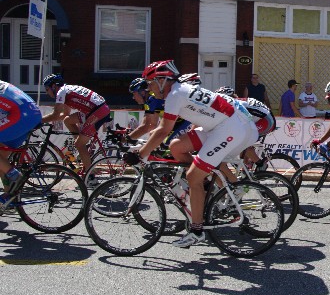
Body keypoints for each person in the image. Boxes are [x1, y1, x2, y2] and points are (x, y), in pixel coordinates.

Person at [123, 60, 258, 248]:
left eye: (151, 83)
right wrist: (144, 150)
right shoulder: (179, 90)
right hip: (220, 126)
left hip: (230, 128)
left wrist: (140, 155)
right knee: (176, 146)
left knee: (192, 176)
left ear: (162, 80)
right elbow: (165, 133)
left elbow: (162, 130)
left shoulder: (176, 95)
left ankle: (197, 230)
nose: (150, 88)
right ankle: (205, 182)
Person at [42, 74, 111, 174]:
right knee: (67, 120)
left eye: (47, 89)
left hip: (97, 112)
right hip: (94, 110)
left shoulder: (61, 92)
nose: (46, 92)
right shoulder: (66, 90)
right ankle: (84, 148)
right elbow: (64, 115)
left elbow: (56, 114)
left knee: (79, 144)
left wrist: (38, 121)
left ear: (54, 86)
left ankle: (90, 176)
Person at [0, 80, 42, 204]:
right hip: (31, 112)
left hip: (21, 114)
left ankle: (15, 176)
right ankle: (9, 196)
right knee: (1, 158)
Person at [127, 78, 192, 147]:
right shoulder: (148, 101)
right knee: (154, 136)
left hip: (185, 122)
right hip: (176, 124)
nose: (133, 97)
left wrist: (126, 138)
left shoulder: (152, 99)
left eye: (134, 93)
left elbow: (145, 127)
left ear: (142, 92)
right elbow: (152, 125)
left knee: (164, 146)